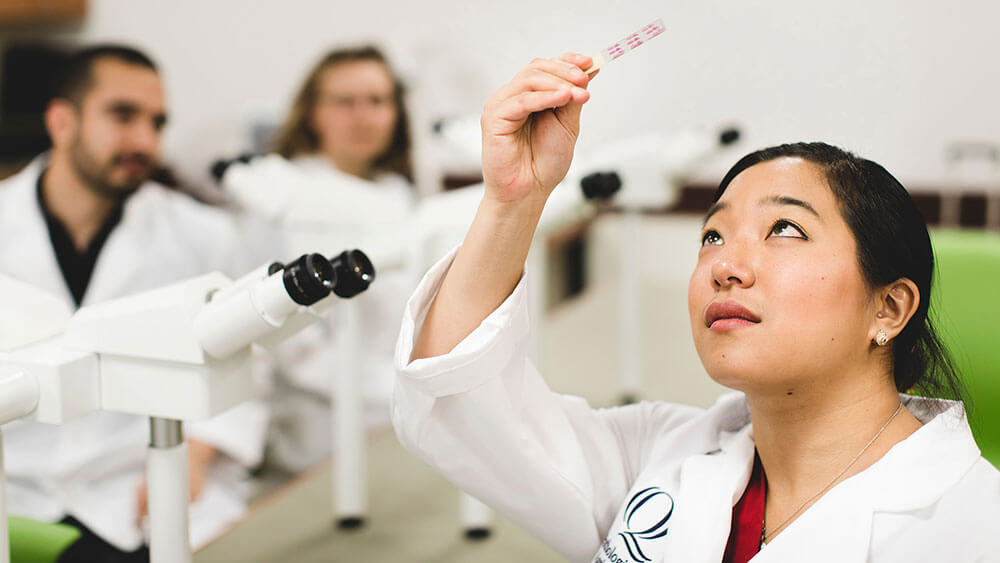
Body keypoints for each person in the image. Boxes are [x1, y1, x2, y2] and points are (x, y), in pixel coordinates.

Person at [391, 54, 1000, 562]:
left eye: (784, 229)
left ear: (889, 309)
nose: (725, 264)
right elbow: (459, 394)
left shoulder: (973, 527)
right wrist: (513, 200)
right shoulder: (664, 452)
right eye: (712, 235)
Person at [0, 44, 267, 561]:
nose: (144, 140)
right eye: (123, 116)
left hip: (142, 487)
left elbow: (251, 363)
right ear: (62, 121)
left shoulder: (202, 234)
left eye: (157, 122)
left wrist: (198, 453)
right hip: (18, 491)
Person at [243, 45, 416, 472]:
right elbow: (285, 342)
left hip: (399, 396)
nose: (363, 115)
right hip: (324, 415)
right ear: (313, 114)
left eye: (377, 101)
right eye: (344, 102)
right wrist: (396, 388)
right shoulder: (280, 199)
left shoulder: (398, 193)